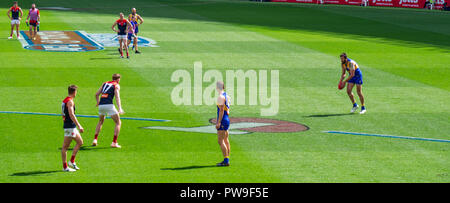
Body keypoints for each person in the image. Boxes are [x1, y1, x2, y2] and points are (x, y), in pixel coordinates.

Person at [92, 74, 124, 148]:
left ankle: (95, 139)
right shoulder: (116, 85)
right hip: (109, 105)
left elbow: (96, 94)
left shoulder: (105, 83)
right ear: (118, 79)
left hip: (101, 105)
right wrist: (120, 108)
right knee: (118, 122)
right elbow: (117, 97)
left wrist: (98, 102)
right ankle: (114, 142)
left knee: (100, 121)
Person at [61, 85, 84, 172]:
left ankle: (71, 161)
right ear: (74, 92)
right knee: (65, 148)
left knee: (80, 142)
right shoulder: (70, 101)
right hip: (70, 126)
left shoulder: (65, 100)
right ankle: (65, 167)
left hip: (70, 126)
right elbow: (71, 114)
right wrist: (79, 125)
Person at [215, 81, 231, 167]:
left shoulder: (220, 97)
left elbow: (221, 110)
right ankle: (227, 158)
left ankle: (226, 160)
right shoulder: (227, 96)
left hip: (222, 120)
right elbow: (227, 110)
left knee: (220, 141)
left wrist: (218, 122)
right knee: (226, 140)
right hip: (227, 119)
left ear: (217, 88)